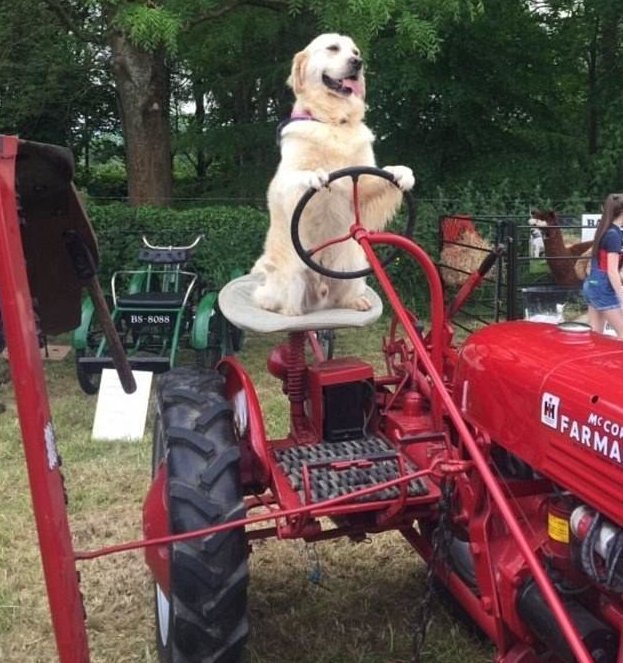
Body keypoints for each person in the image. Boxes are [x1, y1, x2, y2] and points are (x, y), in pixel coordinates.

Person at [582, 193, 623, 336]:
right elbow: (612, 271)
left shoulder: (605, 230)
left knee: (595, 334)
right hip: (603, 287)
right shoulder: (614, 235)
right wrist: (621, 295)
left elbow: (591, 266)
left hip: (592, 284)